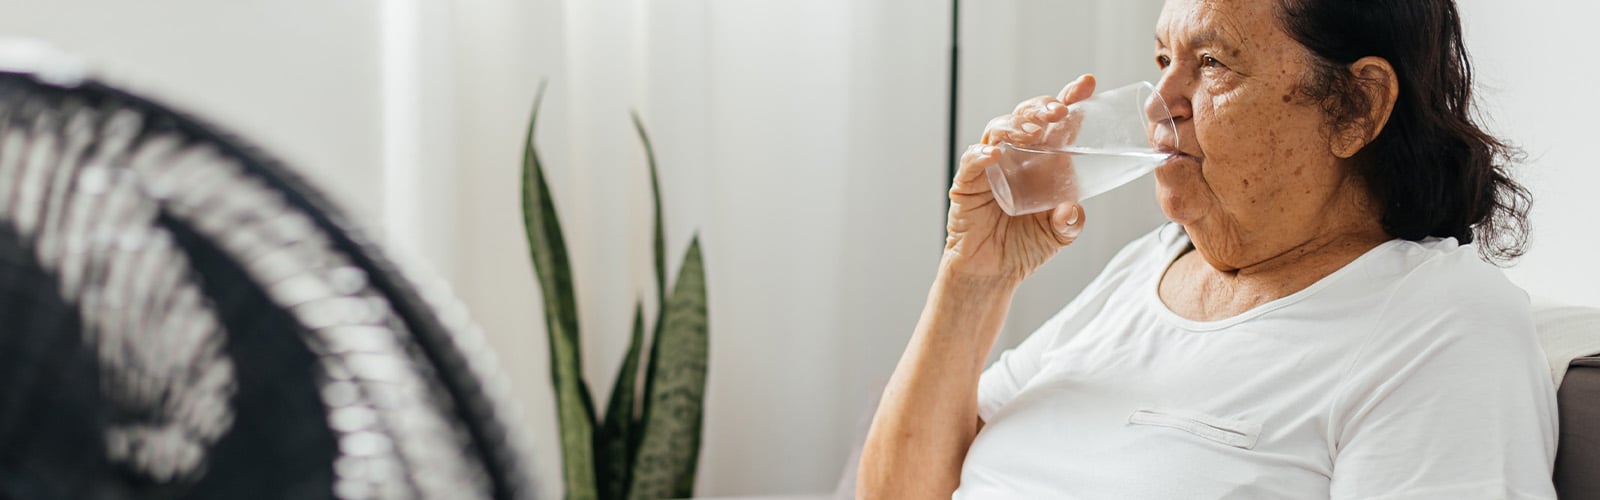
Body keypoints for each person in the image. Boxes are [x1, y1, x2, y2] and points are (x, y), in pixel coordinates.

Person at [857, 0, 1557, 498]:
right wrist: (975, 273)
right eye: (1163, 59)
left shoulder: (1442, 326)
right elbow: (896, 491)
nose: (1160, 103)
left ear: (1355, 106)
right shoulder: (1144, 271)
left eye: (1213, 63)